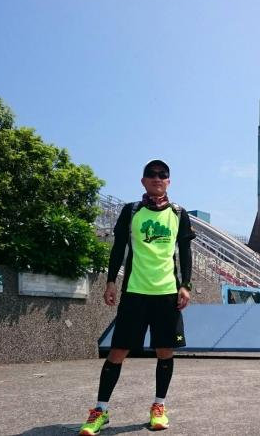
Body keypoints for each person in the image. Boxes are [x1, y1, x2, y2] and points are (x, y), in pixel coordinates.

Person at [79, 159, 195, 435]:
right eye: (151, 174)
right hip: (134, 292)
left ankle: (159, 407)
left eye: (162, 175)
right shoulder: (131, 211)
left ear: (169, 181)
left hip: (167, 293)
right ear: (143, 181)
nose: (157, 178)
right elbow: (118, 248)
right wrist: (110, 281)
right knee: (118, 351)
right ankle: (100, 410)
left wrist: (186, 285)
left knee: (164, 351)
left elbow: (185, 252)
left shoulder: (178, 213)